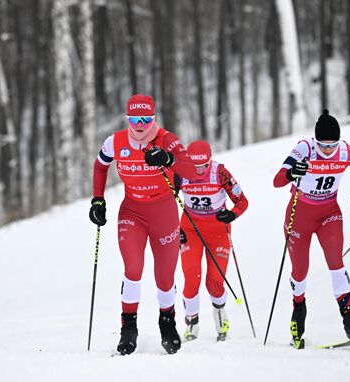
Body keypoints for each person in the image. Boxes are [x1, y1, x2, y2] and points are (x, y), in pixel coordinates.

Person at [89, 94, 199, 355]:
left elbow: (192, 171)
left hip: (163, 212)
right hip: (132, 212)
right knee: (133, 268)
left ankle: (167, 323)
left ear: (153, 118)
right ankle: (128, 329)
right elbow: (99, 166)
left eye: (145, 119)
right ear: (127, 118)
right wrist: (98, 200)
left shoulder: (166, 140)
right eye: (134, 119)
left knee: (164, 276)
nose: (140, 125)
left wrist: (169, 160)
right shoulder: (115, 142)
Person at [273, 109, 350, 348]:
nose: (327, 150)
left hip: (329, 213)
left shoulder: (346, 151)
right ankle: (298, 310)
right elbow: (277, 180)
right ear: (315, 141)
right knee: (300, 269)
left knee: (336, 260)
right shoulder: (304, 148)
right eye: (323, 145)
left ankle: (349, 321)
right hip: (300, 213)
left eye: (332, 145)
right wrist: (292, 172)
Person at [174, 140, 249, 342]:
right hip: (190, 229)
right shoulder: (180, 172)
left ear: (210, 160)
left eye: (203, 166)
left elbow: (242, 201)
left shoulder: (220, 172)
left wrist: (232, 214)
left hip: (217, 230)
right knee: (191, 278)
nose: (199, 171)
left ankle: (220, 314)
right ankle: (191, 321)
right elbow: (166, 197)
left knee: (215, 281)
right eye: (195, 166)